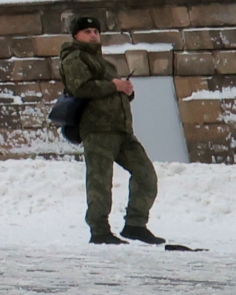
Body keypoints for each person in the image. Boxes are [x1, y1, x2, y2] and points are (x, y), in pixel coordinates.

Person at [61, 16, 163, 245]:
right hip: (97, 129)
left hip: (121, 129)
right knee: (100, 182)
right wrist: (114, 85)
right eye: (87, 31)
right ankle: (99, 230)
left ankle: (135, 225)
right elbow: (81, 87)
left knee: (146, 174)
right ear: (76, 35)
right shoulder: (74, 57)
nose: (93, 35)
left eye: (96, 31)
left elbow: (109, 92)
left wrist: (126, 91)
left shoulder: (105, 63)